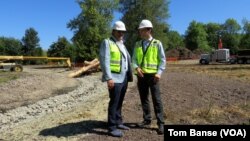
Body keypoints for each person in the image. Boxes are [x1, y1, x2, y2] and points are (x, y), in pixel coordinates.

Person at [99, 21, 133, 137]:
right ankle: (112, 127)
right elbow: (104, 61)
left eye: (123, 32)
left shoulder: (122, 44)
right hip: (114, 78)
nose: (121, 33)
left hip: (123, 78)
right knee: (114, 102)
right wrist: (109, 78)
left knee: (119, 102)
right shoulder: (107, 43)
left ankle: (118, 122)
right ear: (113, 31)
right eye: (119, 31)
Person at [132, 19, 166, 135]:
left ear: (149, 30)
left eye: (142, 30)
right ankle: (147, 119)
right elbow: (134, 60)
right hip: (141, 75)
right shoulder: (137, 44)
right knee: (144, 99)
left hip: (153, 76)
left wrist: (159, 73)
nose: (140, 32)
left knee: (156, 99)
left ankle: (160, 123)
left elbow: (162, 60)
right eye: (139, 30)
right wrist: (137, 68)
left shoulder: (157, 43)